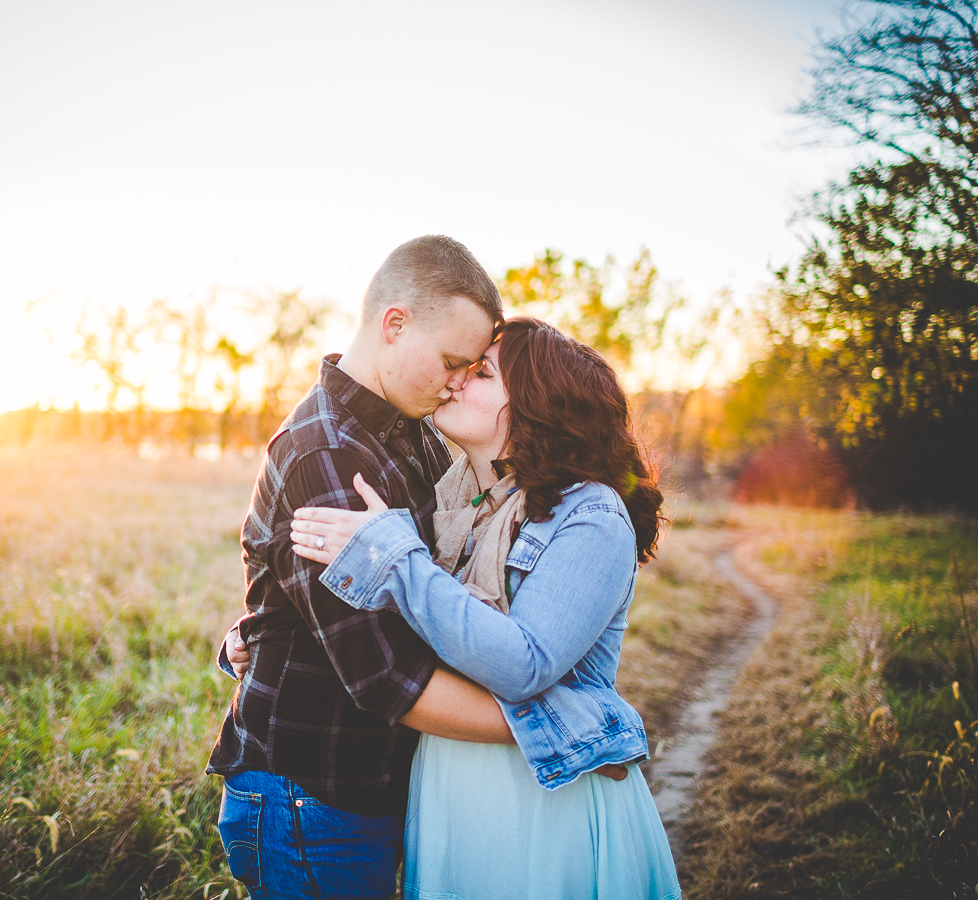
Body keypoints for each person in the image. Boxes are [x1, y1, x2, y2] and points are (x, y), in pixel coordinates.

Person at [286, 317, 682, 900]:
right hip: (448, 786)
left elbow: (523, 664)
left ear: (536, 406)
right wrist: (269, 635)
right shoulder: (459, 505)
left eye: (483, 372)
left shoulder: (591, 517)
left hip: (545, 800)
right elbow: (418, 632)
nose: (456, 381)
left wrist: (395, 557)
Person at [206, 235, 517, 900]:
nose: (461, 380)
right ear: (394, 324)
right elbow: (386, 676)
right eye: (453, 362)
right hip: (310, 799)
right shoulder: (328, 453)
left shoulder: (410, 430)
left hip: (357, 790)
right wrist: (550, 731)